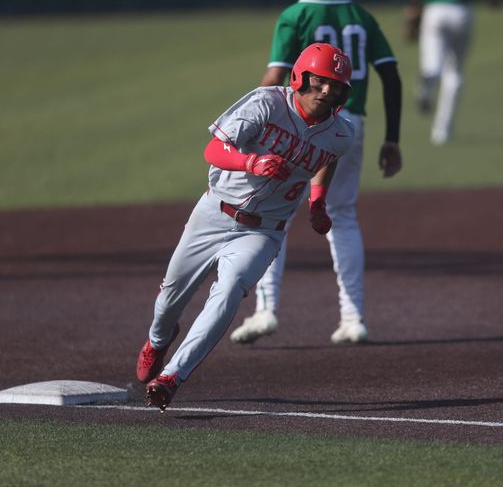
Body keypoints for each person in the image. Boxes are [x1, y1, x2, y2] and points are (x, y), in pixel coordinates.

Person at [136, 43, 356, 411]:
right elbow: (214, 150)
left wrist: (317, 202)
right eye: (320, 81)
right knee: (168, 302)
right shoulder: (266, 103)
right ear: (300, 77)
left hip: (265, 231)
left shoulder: (342, 133)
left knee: (230, 292)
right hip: (214, 213)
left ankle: (172, 376)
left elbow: (327, 158)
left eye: (336, 86)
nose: (327, 91)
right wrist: (252, 162)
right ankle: (158, 340)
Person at [228, 0, 403, 346]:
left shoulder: (295, 14)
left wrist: (253, 120)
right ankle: (353, 316)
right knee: (342, 215)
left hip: (299, 125)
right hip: (349, 127)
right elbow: (389, 73)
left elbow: (275, 75)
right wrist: (392, 138)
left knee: (272, 214)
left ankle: (266, 310)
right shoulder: (360, 14)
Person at [404, 0, 501, 146]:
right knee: (455, 72)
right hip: (462, 11)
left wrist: (414, 7)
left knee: (432, 63)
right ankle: (442, 131)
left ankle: (428, 79)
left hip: (435, 9)